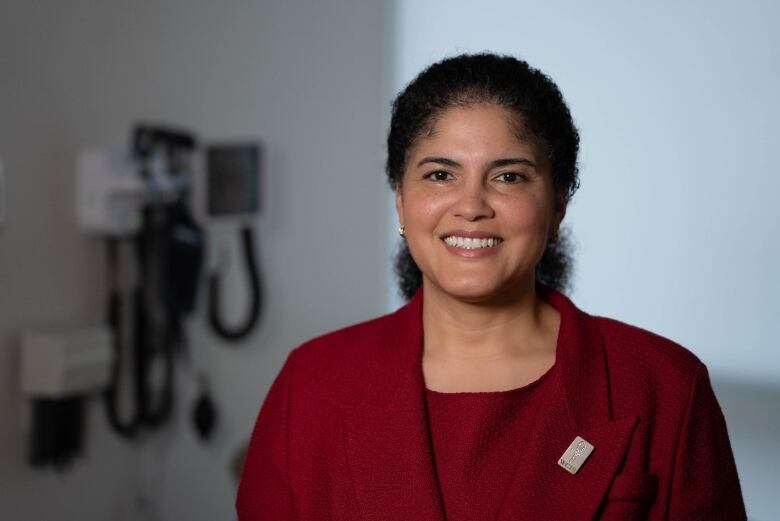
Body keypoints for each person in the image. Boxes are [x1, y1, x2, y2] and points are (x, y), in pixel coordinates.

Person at [236, 53, 746, 520]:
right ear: (400, 199)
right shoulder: (311, 384)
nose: (472, 205)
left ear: (558, 205)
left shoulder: (665, 384)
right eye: (440, 174)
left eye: (508, 177)